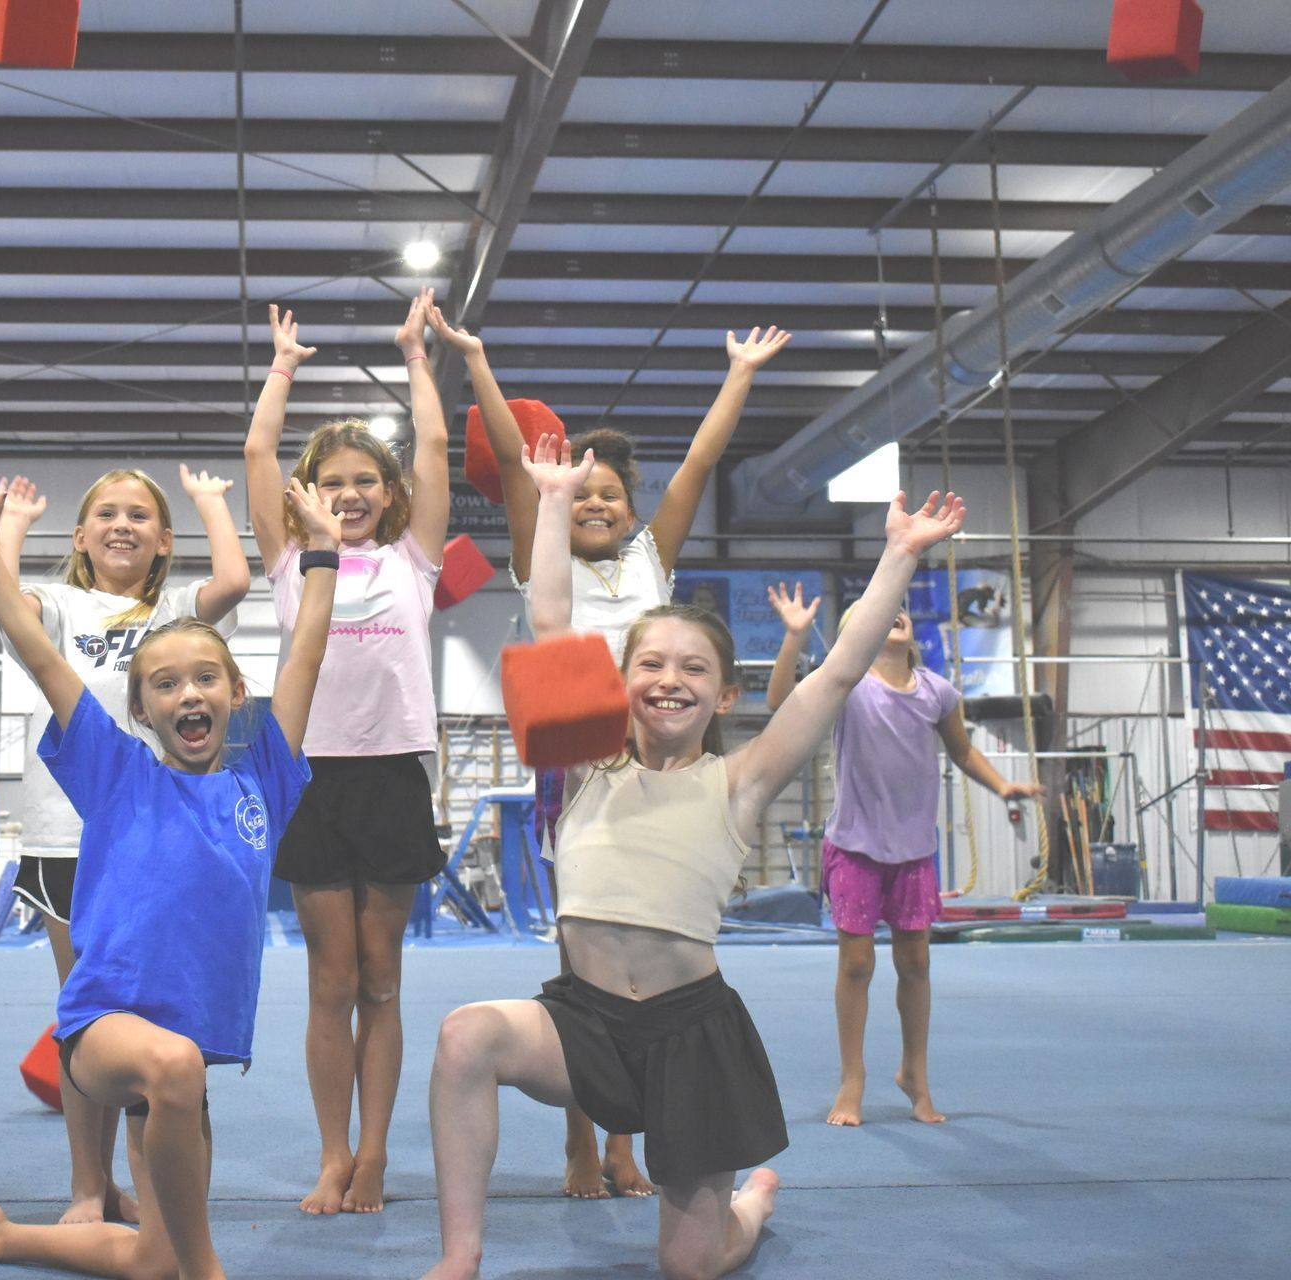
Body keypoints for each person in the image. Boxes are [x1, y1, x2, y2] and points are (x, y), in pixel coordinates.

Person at [420, 436, 965, 1280]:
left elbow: (835, 675)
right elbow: (555, 622)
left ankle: (748, 1206)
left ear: (726, 693)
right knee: (466, 1037)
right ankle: (460, 1255)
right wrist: (555, 499)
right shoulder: (589, 760)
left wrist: (896, 554)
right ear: (621, 680)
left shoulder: (739, 780)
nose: (668, 681)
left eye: (693, 669)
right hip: (584, 1022)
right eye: (649, 665)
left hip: (692, 1035)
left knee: (692, 1265)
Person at [0, 472, 338, 1278]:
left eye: (205, 678)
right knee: (172, 1076)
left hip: (188, 1060)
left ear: (238, 694)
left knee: (150, 1263)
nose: (188, 694)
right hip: (105, 1031)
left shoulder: (262, 783)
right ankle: (210, 1273)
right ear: (139, 712)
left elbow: (306, 650)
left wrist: (324, 557)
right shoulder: (116, 772)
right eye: (164, 685)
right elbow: (37, 653)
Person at [430, 312, 790, 1200]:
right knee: (581, 949)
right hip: (580, 761)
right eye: (579, 492)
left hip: (666, 760)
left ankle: (633, 1136)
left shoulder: (651, 560)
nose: (591, 503)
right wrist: (477, 360)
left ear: (632, 509)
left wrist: (738, 373)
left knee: (661, 926)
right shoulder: (536, 546)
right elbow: (519, 465)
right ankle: (586, 1141)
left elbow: (700, 464)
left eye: (608, 496)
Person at [0, 463, 250, 1224]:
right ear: (80, 535)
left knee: (163, 1013)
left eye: (139, 515)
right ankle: (88, 1187)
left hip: (165, 838)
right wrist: (9, 529)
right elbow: (3, 605)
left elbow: (232, 580)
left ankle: (162, 1186)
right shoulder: (62, 604)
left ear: (165, 541)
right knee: (85, 1013)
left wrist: (208, 504)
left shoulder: (173, 610)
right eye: (106, 513)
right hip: (71, 836)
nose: (122, 524)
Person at [243, 289, 449, 1215]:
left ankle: (375, 1155)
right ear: (307, 497)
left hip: (394, 773)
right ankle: (334, 1153)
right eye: (334, 483)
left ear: (389, 493)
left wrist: (417, 357)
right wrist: (282, 368)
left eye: (367, 480)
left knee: (382, 975)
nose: (353, 494)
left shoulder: (416, 558)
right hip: (312, 773)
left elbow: (438, 450)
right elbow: (256, 452)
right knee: (330, 978)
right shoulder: (291, 559)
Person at [765, 583, 1043, 1126]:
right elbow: (780, 703)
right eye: (874, 613)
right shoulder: (846, 687)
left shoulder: (937, 691)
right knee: (857, 963)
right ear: (855, 637)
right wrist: (796, 638)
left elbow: (961, 750)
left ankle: (915, 1073)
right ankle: (853, 1079)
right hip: (855, 845)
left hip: (914, 850)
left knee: (915, 963)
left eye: (899, 610)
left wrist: (1002, 787)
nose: (893, 615)